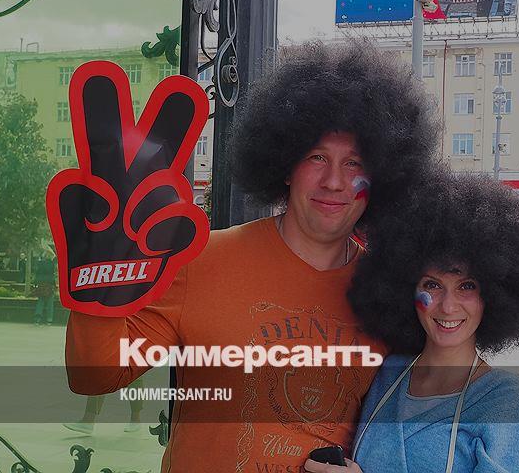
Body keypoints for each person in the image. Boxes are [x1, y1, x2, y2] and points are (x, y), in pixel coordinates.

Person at [64, 41, 440, 471]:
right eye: (316, 157)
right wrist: (98, 285)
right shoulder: (200, 262)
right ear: (285, 164)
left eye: (354, 163)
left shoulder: (387, 294)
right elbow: (95, 377)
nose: (334, 181)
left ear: (382, 175)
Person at [309, 173, 519, 473]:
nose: (448, 306)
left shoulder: (508, 402)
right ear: (405, 288)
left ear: (493, 294)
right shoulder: (388, 374)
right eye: (432, 285)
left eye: (466, 286)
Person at [33, 246, 57, 326]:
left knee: (40, 301)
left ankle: (37, 319)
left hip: (41, 284)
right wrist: (54, 285)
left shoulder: (40, 263)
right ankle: (49, 319)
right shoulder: (51, 264)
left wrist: (35, 283)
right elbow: (52, 275)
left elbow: (37, 273)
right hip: (49, 284)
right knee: (50, 302)